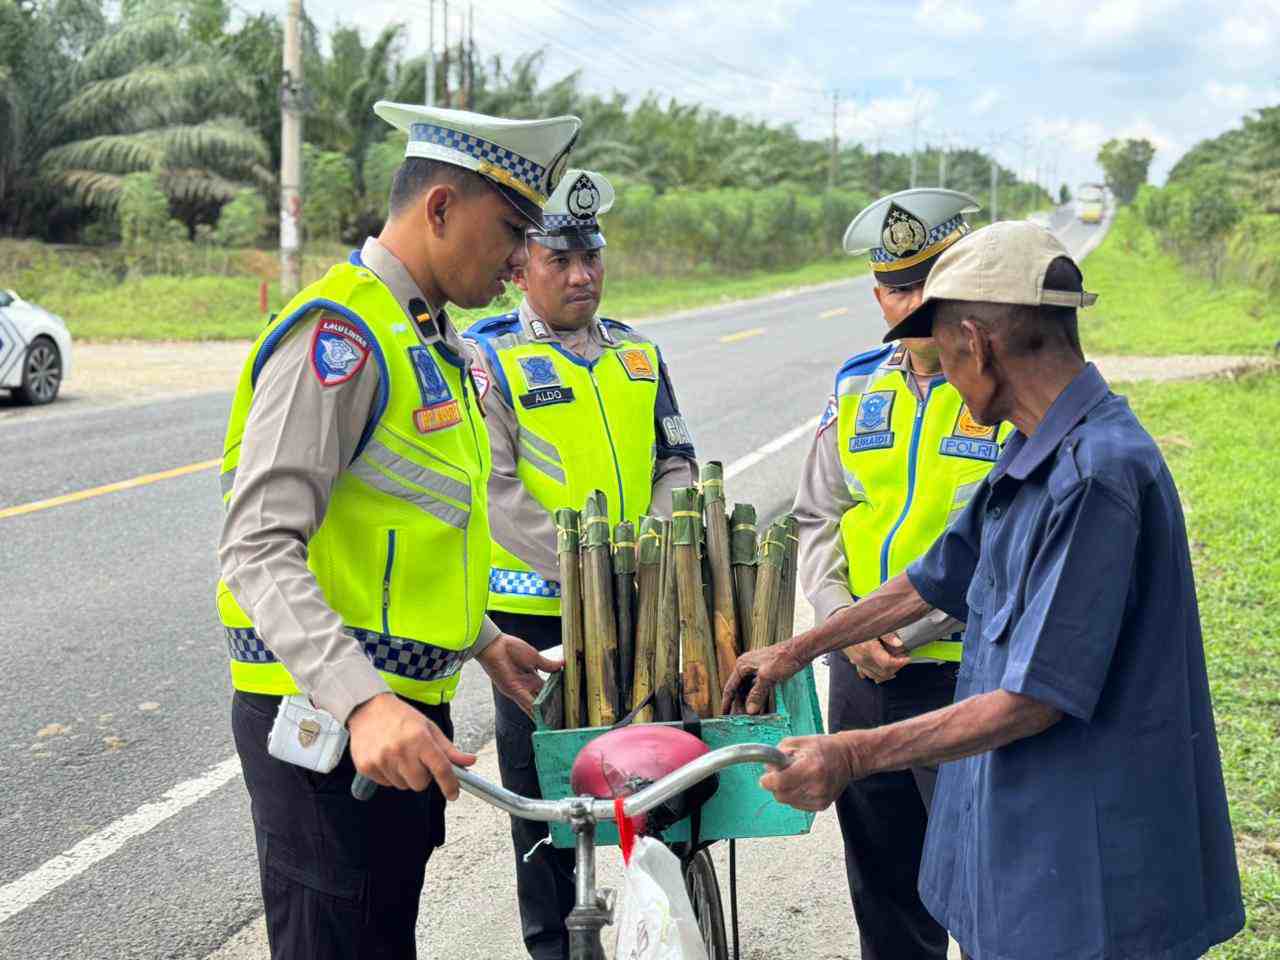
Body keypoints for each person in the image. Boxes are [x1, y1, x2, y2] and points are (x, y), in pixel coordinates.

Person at [725, 220, 1245, 960]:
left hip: (1088, 858)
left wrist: (850, 755)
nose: (941, 370)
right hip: (1030, 830)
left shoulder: (1096, 476)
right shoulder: (1035, 447)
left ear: (975, 343)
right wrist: (797, 649)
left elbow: (1034, 698)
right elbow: (936, 576)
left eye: (943, 351)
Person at [216, 101, 580, 959]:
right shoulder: (340, 334)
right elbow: (258, 544)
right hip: (327, 725)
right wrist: (364, 702)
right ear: (441, 207)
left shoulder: (432, 340)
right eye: (512, 230)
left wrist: (481, 639)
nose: (522, 259)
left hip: (397, 725)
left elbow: (409, 528)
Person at [464, 168, 697, 960]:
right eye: (558, 259)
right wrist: (593, 568)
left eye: (590, 257)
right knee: (546, 813)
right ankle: (555, 951)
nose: (580, 275)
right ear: (520, 265)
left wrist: (643, 558)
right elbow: (494, 491)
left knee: (653, 788)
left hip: (641, 607)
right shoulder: (487, 357)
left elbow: (676, 463)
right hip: (538, 623)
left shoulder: (638, 353)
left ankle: (657, 937)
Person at [794, 188, 1007, 960]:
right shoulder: (857, 384)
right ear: (876, 293)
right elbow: (817, 516)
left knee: (984, 895)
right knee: (885, 894)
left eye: (928, 284)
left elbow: (1008, 540)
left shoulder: (1002, 386)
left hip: (962, 675)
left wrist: (901, 627)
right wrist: (839, 621)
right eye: (895, 287)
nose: (911, 305)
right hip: (860, 677)